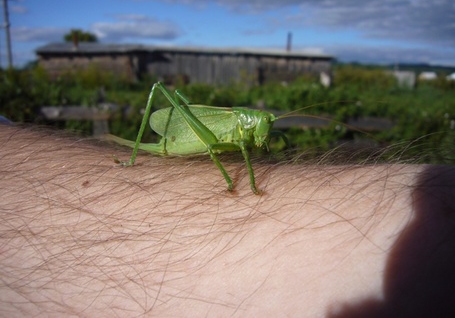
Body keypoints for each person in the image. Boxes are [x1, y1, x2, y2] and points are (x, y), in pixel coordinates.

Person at [1, 124, 454, 317]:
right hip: (194, 132)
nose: (262, 131)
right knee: (187, 116)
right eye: (262, 124)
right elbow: (235, 153)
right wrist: (242, 184)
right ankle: (136, 153)